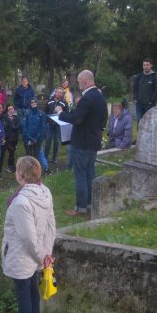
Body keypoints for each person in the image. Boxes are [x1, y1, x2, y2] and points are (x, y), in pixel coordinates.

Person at [0, 156, 56, 313]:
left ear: (22, 175)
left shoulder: (21, 202)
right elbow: (51, 226)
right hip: (37, 252)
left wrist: (42, 256)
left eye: (17, 170)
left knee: (23, 292)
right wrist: (46, 253)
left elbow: (28, 237)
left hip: (22, 254)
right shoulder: (45, 192)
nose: (15, 173)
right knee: (32, 288)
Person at [57, 70, 108, 217]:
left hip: (82, 142)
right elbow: (103, 119)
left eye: (79, 82)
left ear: (85, 81)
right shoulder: (100, 97)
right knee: (90, 173)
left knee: (80, 175)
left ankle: (80, 208)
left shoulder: (87, 98)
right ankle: (90, 204)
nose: (79, 85)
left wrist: (60, 113)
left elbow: (77, 119)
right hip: (94, 141)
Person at [133, 57, 157, 124]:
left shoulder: (154, 77)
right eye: (144, 65)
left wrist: (152, 101)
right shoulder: (139, 76)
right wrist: (136, 98)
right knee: (139, 122)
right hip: (139, 104)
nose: (146, 67)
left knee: (148, 124)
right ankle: (139, 134)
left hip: (149, 105)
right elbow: (134, 88)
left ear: (151, 65)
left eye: (147, 65)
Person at [45, 87, 68, 164]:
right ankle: (45, 158)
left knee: (56, 141)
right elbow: (46, 111)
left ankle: (54, 158)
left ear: (62, 94)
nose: (59, 93)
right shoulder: (49, 101)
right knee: (48, 141)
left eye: (61, 92)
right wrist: (47, 121)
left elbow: (67, 114)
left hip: (58, 125)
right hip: (49, 124)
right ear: (55, 92)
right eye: (58, 92)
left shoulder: (64, 103)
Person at [2, 104, 20, 173]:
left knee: (12, 152)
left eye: (12, 109)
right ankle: (10, 166)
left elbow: (18, 126)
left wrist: (11, 126)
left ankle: (11, 166)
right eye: (9, 109)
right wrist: (11, 125)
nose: (11, 111)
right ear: (7, 110)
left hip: (15, 138)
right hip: (8, 138)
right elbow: (5, 127)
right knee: (11, 152)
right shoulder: (5, 117)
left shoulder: (17, 117)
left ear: (14, 109)